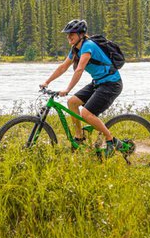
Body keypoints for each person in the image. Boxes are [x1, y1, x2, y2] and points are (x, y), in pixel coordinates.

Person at [39, 19, 124, 154]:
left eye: (71, 33)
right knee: (72, 102)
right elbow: (63, 67)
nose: (68, 37)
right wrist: (47, 82)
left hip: (111, 84)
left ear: (81, 34)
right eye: (67, 34)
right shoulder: (75, 50)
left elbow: (79, 69)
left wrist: (67, 89)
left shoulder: (87, 46)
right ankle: (79, 137)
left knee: (86, 113)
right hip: (98, 82)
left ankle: (111, 140)